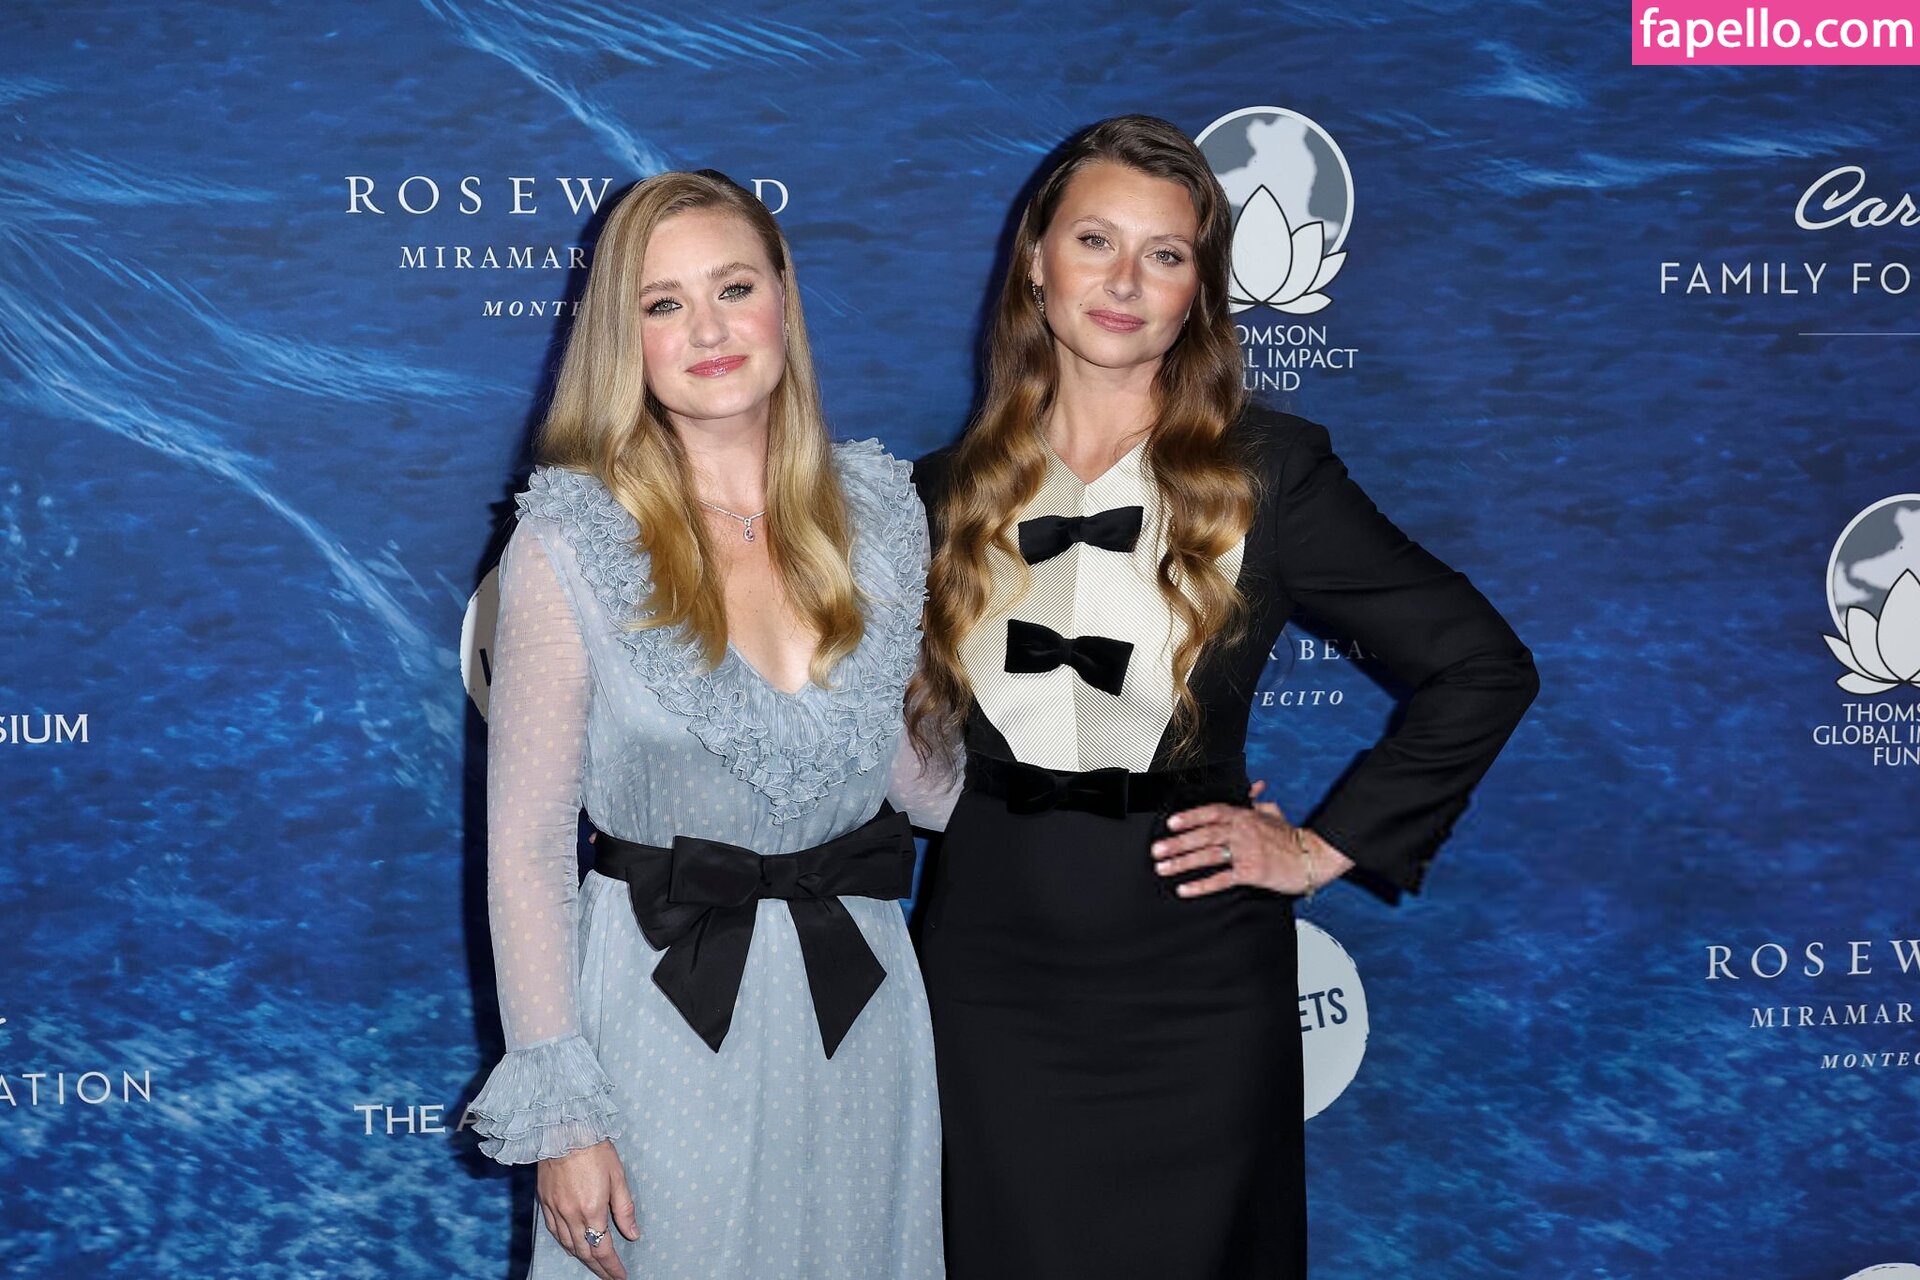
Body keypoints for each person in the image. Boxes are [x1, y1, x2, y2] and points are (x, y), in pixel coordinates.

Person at [907, 116, 1540, 1280]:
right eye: (1094, 240)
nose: (1123, 280)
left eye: (1166, 254)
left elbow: (1481, 663)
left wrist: (1322, 845)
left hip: (1194, 974)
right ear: (1035, 260)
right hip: (988, 970)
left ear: (1198, 291)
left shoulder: (1271, 470)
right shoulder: (937, 493)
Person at [465, 170, 942, 1280]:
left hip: (862, 1011)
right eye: (663, 303)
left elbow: (924, 783)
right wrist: (564, 1119)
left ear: (784, 299)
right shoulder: (570, 540)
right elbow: (526, 851)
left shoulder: (881, 516)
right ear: (622, 338)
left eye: (734, 287)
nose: (709, 330)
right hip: (659, 1015)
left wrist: (1122, 767)